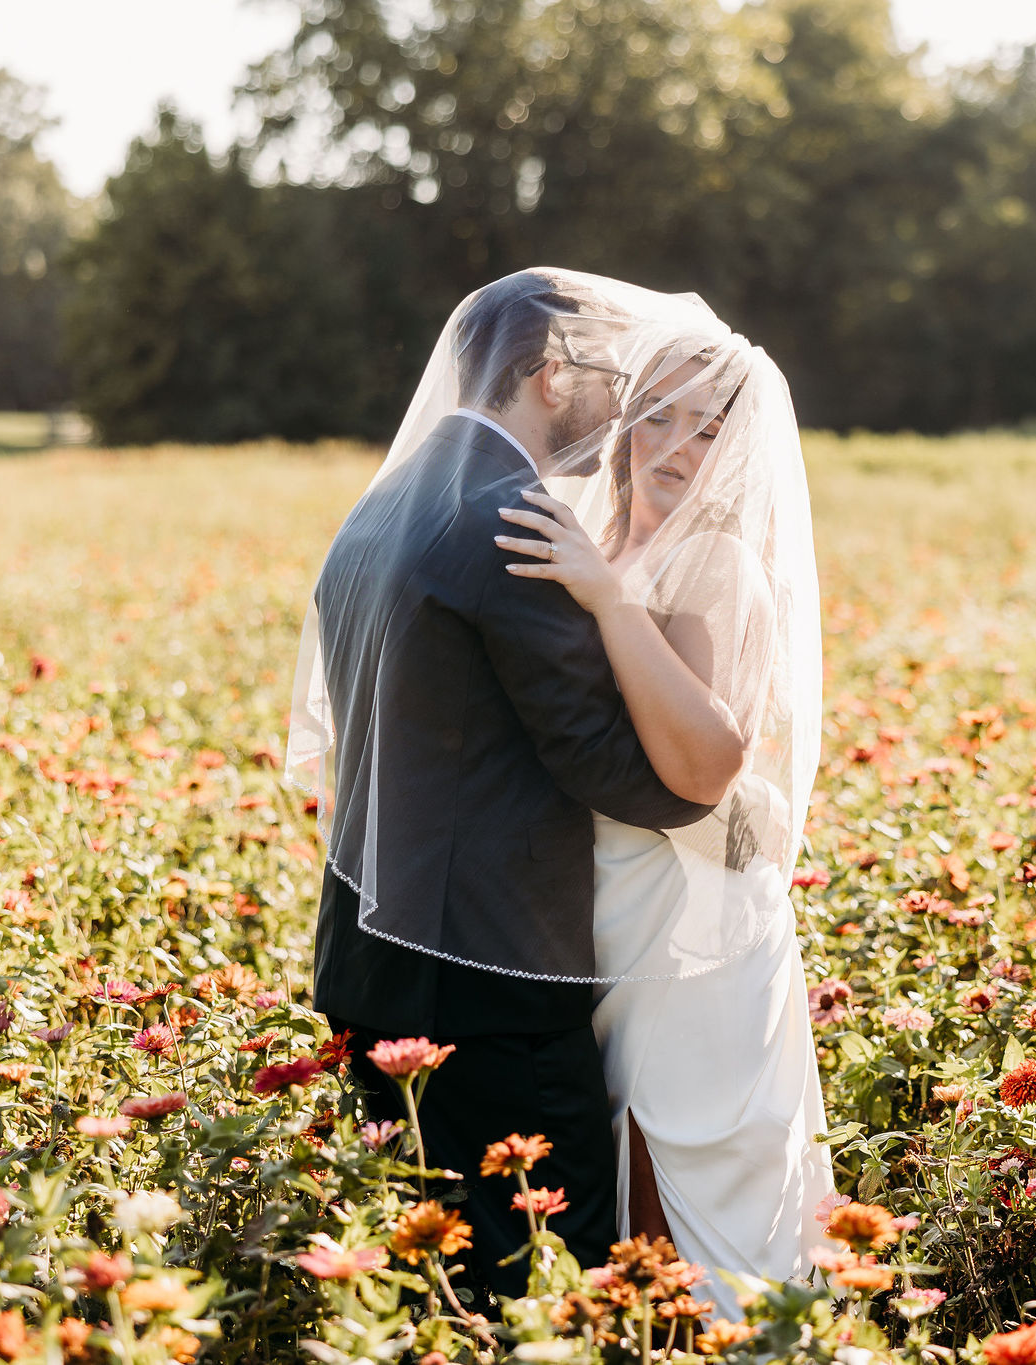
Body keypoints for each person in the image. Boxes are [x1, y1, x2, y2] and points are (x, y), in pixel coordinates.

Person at [284, 270, 720, 1300]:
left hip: (372, 954)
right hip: (487, 985)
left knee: (427, 1279)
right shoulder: (507, 518)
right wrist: (714, 765)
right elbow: (616, 768)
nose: (613, 403)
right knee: (538, 1281)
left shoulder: (387, 499)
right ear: (547, 370)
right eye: (603, 375)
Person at [489, 332, 834, 1309]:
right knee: (622, 1170)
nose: (675, 445)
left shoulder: (717, 561)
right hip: (609, 911)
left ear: (738, 446)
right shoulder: (602, 539)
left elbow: (702, 764)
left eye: (707, 426)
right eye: (659, 415)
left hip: (692, 927)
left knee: (690, 1187)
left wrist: (605, 603)